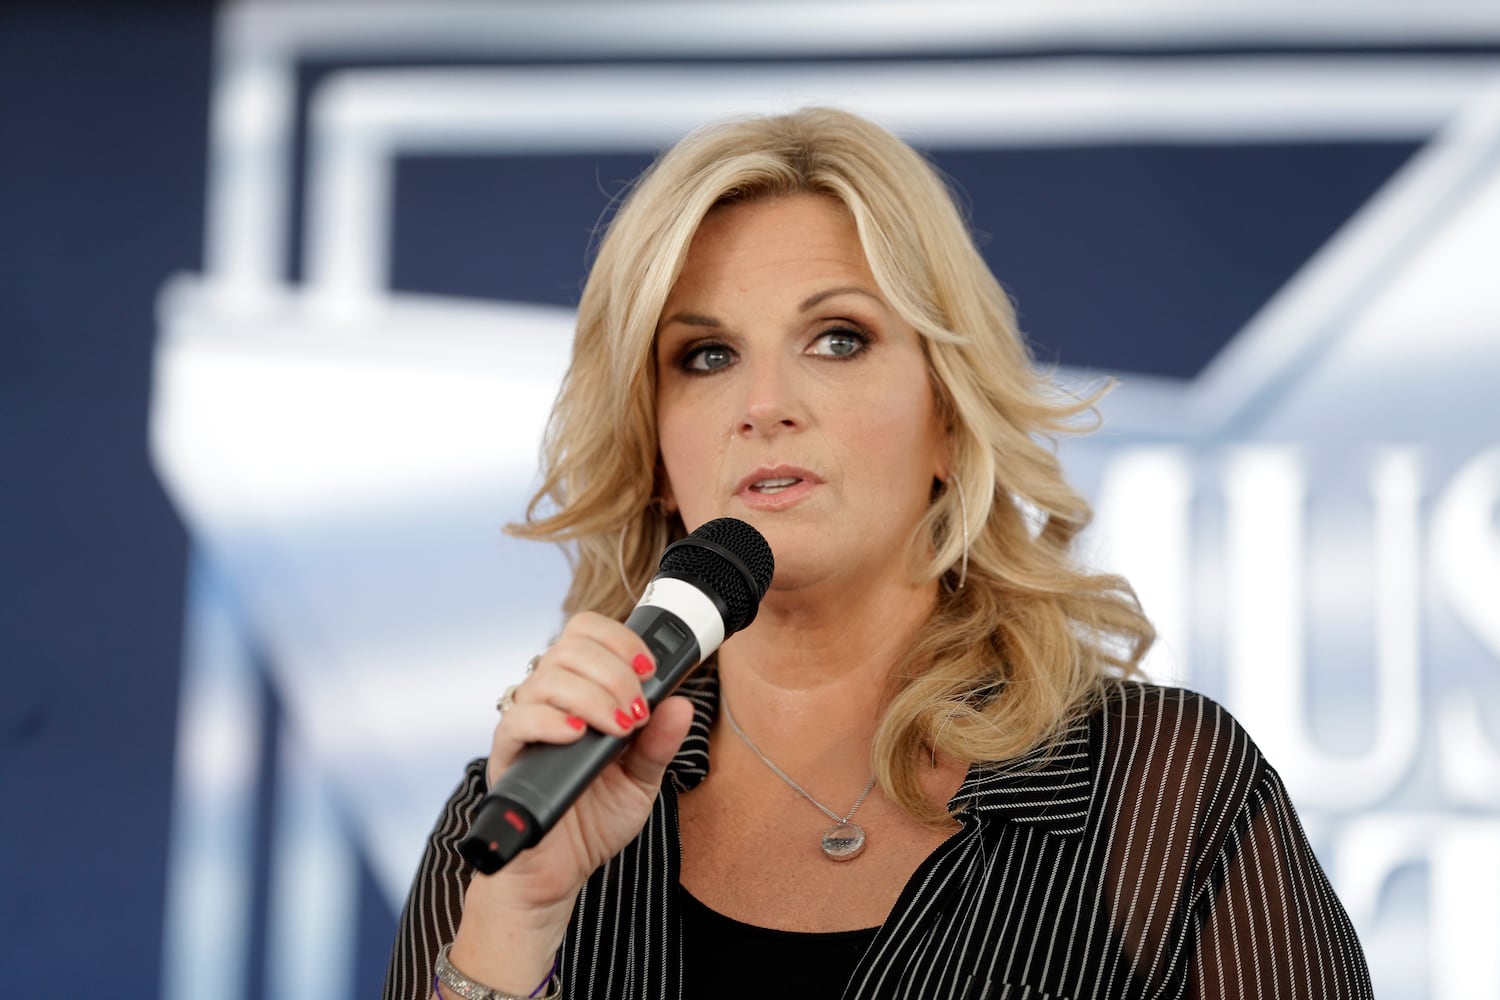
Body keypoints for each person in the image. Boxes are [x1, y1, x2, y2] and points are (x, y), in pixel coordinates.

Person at [383, 107, 1372, 1000]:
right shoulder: (520, 813)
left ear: (949, 418)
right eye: (707, 356)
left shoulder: (1163, 792)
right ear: (656, 451)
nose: (764, 403)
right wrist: (513, 922)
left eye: (838, 339)